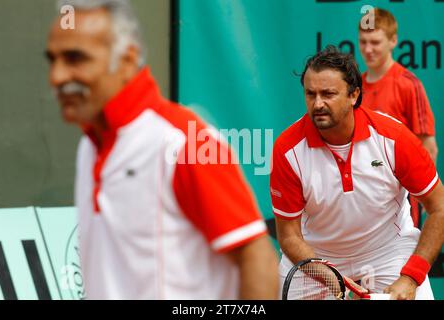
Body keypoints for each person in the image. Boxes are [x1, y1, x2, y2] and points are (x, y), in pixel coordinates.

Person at [46, 0, 278, 300]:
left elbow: (256, 257)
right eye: (53, 60)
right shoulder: (88, 147)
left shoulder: (182, 140)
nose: (58, 76)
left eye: (75, 58)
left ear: (127, 61)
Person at [270, 46, 444, 300]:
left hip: (388, 249)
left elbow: (439, 206)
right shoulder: (288, 150)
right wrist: (329, 275)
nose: (317, 103)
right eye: (310, 94)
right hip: (315, 256)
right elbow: (289, 235)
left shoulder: (393, 137)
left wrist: (410, 277)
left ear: (354, 95)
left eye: (328, 94)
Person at [358, 8, 438, 227]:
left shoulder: (408, 84)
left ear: (393, 41)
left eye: (375, 42)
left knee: (402, 261)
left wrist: (421, 198)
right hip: (361, 198)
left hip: (400, 199)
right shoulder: (355, 87)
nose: (368, 49)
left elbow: (428, 149)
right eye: (363, 42)